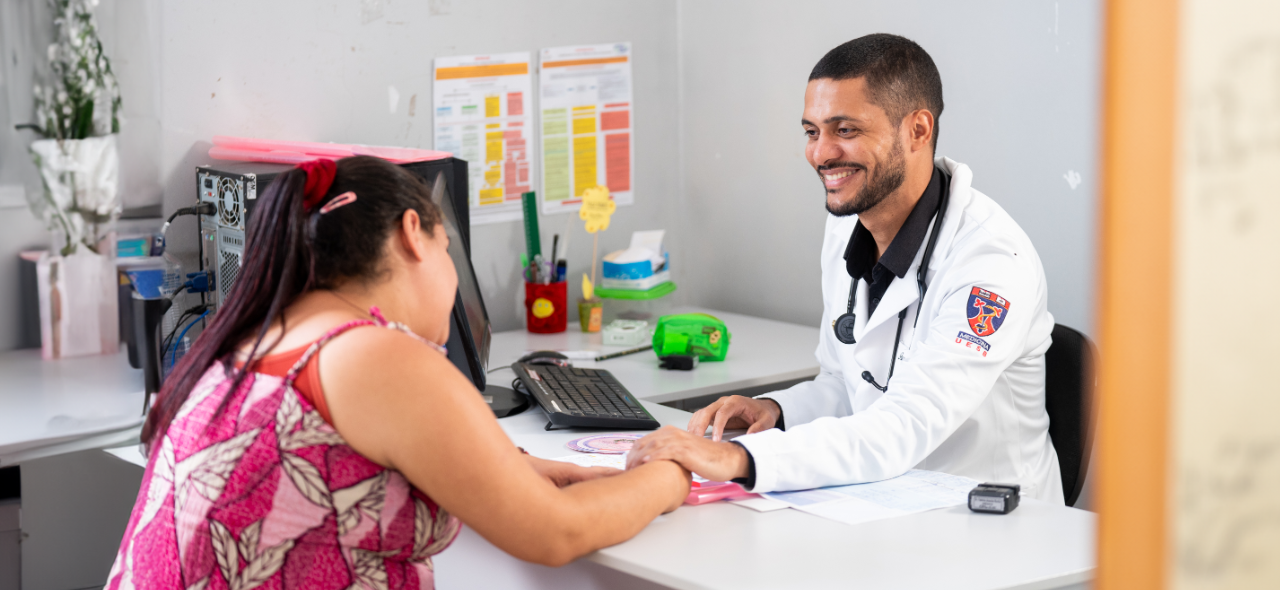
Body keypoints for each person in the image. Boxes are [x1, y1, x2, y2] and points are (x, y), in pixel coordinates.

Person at [107, 156, 690, 589]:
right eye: (446, 249)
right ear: (414, 233)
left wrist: (512, 467)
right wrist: (670, 476)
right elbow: (555, 534)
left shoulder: (253, 338)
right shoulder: (376, 355)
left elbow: (327, 464)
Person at [627, 34, 1063, 503]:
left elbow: (904, 424)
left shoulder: (992, 264)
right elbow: (846, 383)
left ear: (918, 130)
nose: (821, 153)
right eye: (812, 132)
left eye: (846, 131)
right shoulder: (847, 227)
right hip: (880, 499)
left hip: (986, 522)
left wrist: (740, 460)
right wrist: (774, 410)